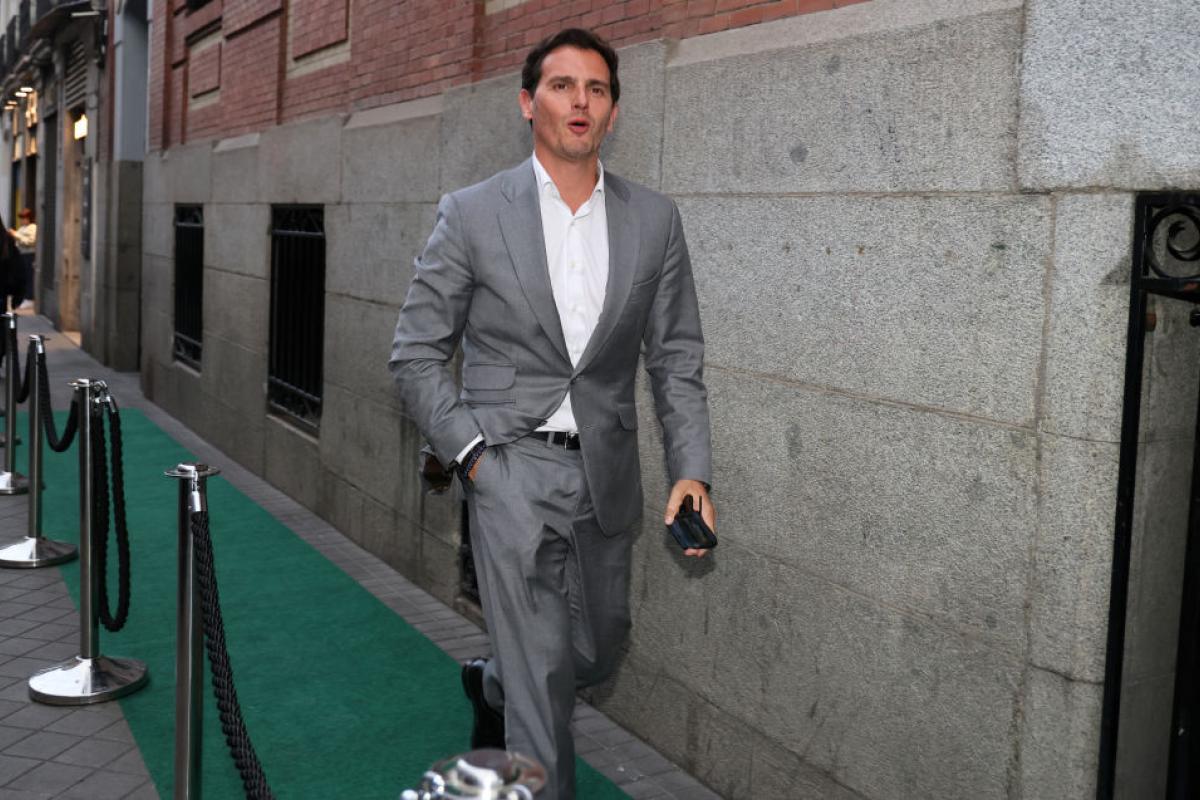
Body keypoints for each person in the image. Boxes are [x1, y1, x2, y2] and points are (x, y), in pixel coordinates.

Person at [389, 28, 715, 800]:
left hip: (606, 469)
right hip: (508, 466)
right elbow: (415, 353)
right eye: (562, 85)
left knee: (595, 653)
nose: (580, 101)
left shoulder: (654, 220)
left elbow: (675, 358)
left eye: (597, 89)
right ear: (527, 103)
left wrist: (692, 472)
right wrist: (473, 457)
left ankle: (493, 683)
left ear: (613, 113)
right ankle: (521, 704)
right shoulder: (472, 213)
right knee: (544, 689)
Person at [8, 208, 36, 311]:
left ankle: (29, 298)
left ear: (29, 218)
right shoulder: (22, 228)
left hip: (29, 255)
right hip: (21, 254)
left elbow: (30, 241)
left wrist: (15, 234)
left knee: (28, 276)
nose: (22, 220)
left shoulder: (32, 227)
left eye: (24, 218)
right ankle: (24, 297)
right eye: (21, 218)